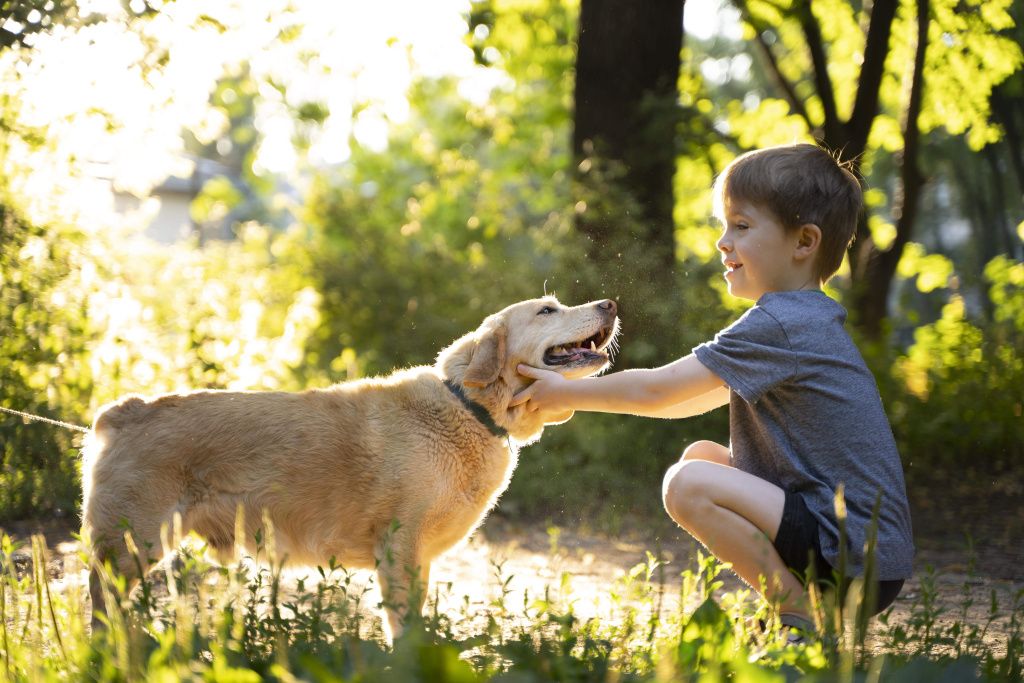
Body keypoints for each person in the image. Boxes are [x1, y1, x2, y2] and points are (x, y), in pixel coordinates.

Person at [509, 143, 913, 637]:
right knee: (701, 456)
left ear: (804, 242)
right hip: (860, 552)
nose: (723, 242)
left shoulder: (781, 324)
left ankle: (799, 615)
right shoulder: (803, 320)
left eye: (741, 226)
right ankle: (796, 606)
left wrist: (565, 393)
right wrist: (581, 395)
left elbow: (659, 390)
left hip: (850, 556)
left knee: (687, 485)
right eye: (724, 226)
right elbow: (684, 401)